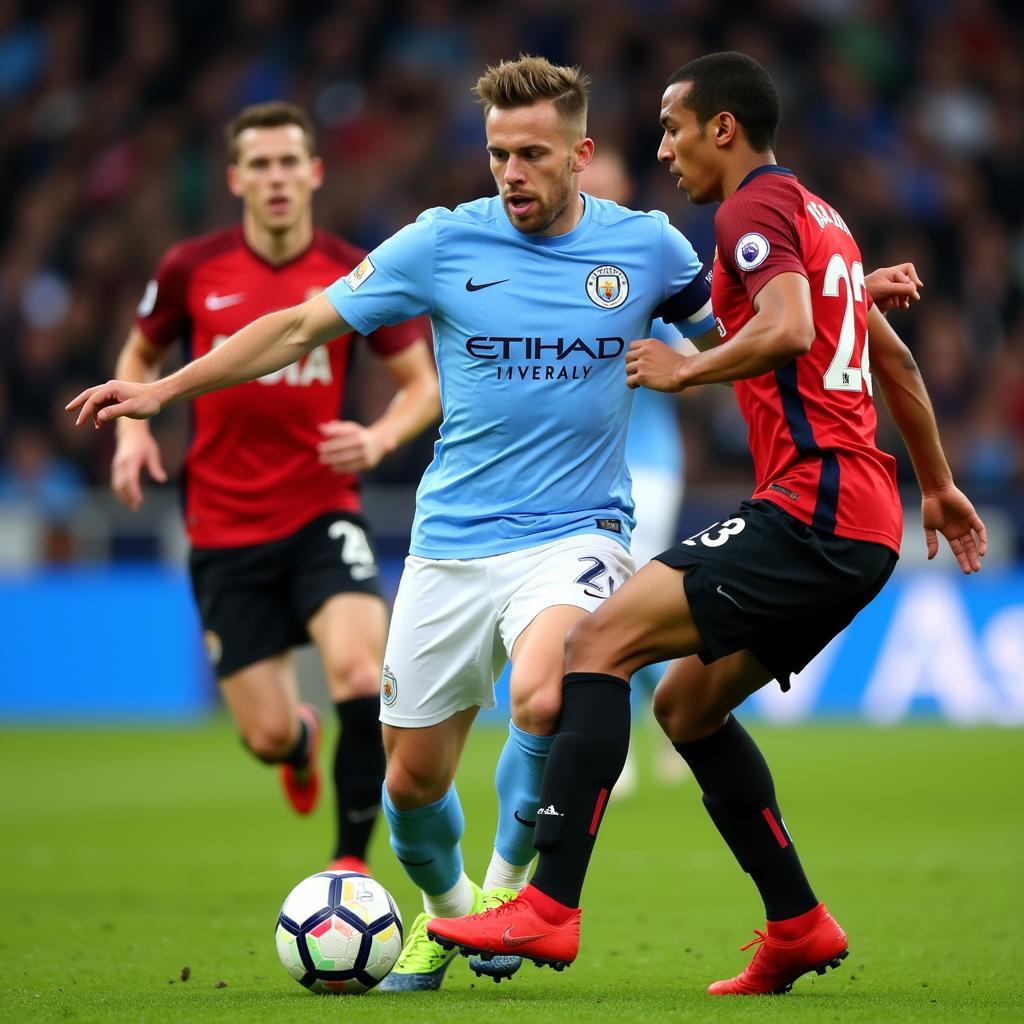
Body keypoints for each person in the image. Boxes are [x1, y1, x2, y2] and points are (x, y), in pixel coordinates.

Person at [67, 56, 721, 992]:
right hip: (452, 542)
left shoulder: (649, 247)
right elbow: (297, 328)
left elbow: (754, 326)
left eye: (533, 154)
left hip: (577, 530)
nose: (512, 173)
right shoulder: (440, 244)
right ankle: (450, 917)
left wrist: (841, 301)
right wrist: (161, 390)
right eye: (498, 154)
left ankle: (501, 906)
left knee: (549, 690)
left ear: (581, 154)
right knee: (408, 784)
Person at [425, 51, 986, 997]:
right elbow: (890, 362)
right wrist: (934, 483)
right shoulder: (822, 220)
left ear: (723, 128)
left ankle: (548, 906)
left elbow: (793, 331)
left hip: (808, 507)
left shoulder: (749, 211)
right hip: (863, 523)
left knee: (596, 646)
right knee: (687, 705)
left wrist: (686, 370)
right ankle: (799, 924)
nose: (665, 147)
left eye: (674, 127)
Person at [107, 101, 438, 875]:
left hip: (323, 510)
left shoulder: (356, 270)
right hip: (223, 530)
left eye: (290, 161)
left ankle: (348, 868)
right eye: (260, 164)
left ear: (315, 172)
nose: (277, 177)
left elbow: (422, 385)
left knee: (361, 674)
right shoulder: (190, 268)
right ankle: (297, 742)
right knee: (263, 739)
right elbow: (138, 353)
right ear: (235, 179)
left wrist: (380, 437)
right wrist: (131, 429)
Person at [579, 149, 692, 799]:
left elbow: (690, 366)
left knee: (619, 597)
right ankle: (674, 715)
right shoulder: (557, 269)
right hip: (581, 466)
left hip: (647, 463)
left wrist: (655, 359)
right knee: (597, 602)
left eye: (603, 186)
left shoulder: (649, 266)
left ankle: (625, 744)